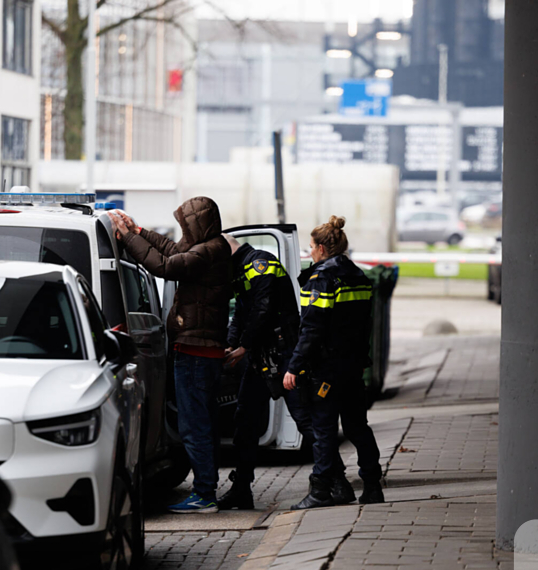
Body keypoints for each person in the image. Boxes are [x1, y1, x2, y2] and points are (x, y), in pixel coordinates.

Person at [109, 199, 232, 514]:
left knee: (195, 425)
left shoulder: (209, 251)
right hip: (198, 349)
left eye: (186, 225)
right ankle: (206, 490)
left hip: (197, 351)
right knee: (199, 423)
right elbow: (172, 249)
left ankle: (205, 494)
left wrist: (128, 237)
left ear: (198, 225)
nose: (183, 232)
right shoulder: (207, 246)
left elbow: (165, 265)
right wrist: (137, 230)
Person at [282, 216, 385, 509]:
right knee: (357, 427)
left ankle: (321, 491)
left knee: (323, 430)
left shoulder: (321, 279)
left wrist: (294, 366)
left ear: (322, 249)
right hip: (352, 367)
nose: (309, 253)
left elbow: (312, 328)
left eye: (311, 248)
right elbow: (363, 325)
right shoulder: (358, 276)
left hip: (326, 369)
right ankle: (373, 486)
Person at [219, 234, 315, 510]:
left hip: (283, 354)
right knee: (245, 421)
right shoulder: (242, 270)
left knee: (305, 419)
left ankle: (333, 481)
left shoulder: (261, 264)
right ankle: (241, 489)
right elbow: (241, 314)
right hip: (263, 357)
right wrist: (231, 344)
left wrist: (243, 347)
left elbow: (263, 309)